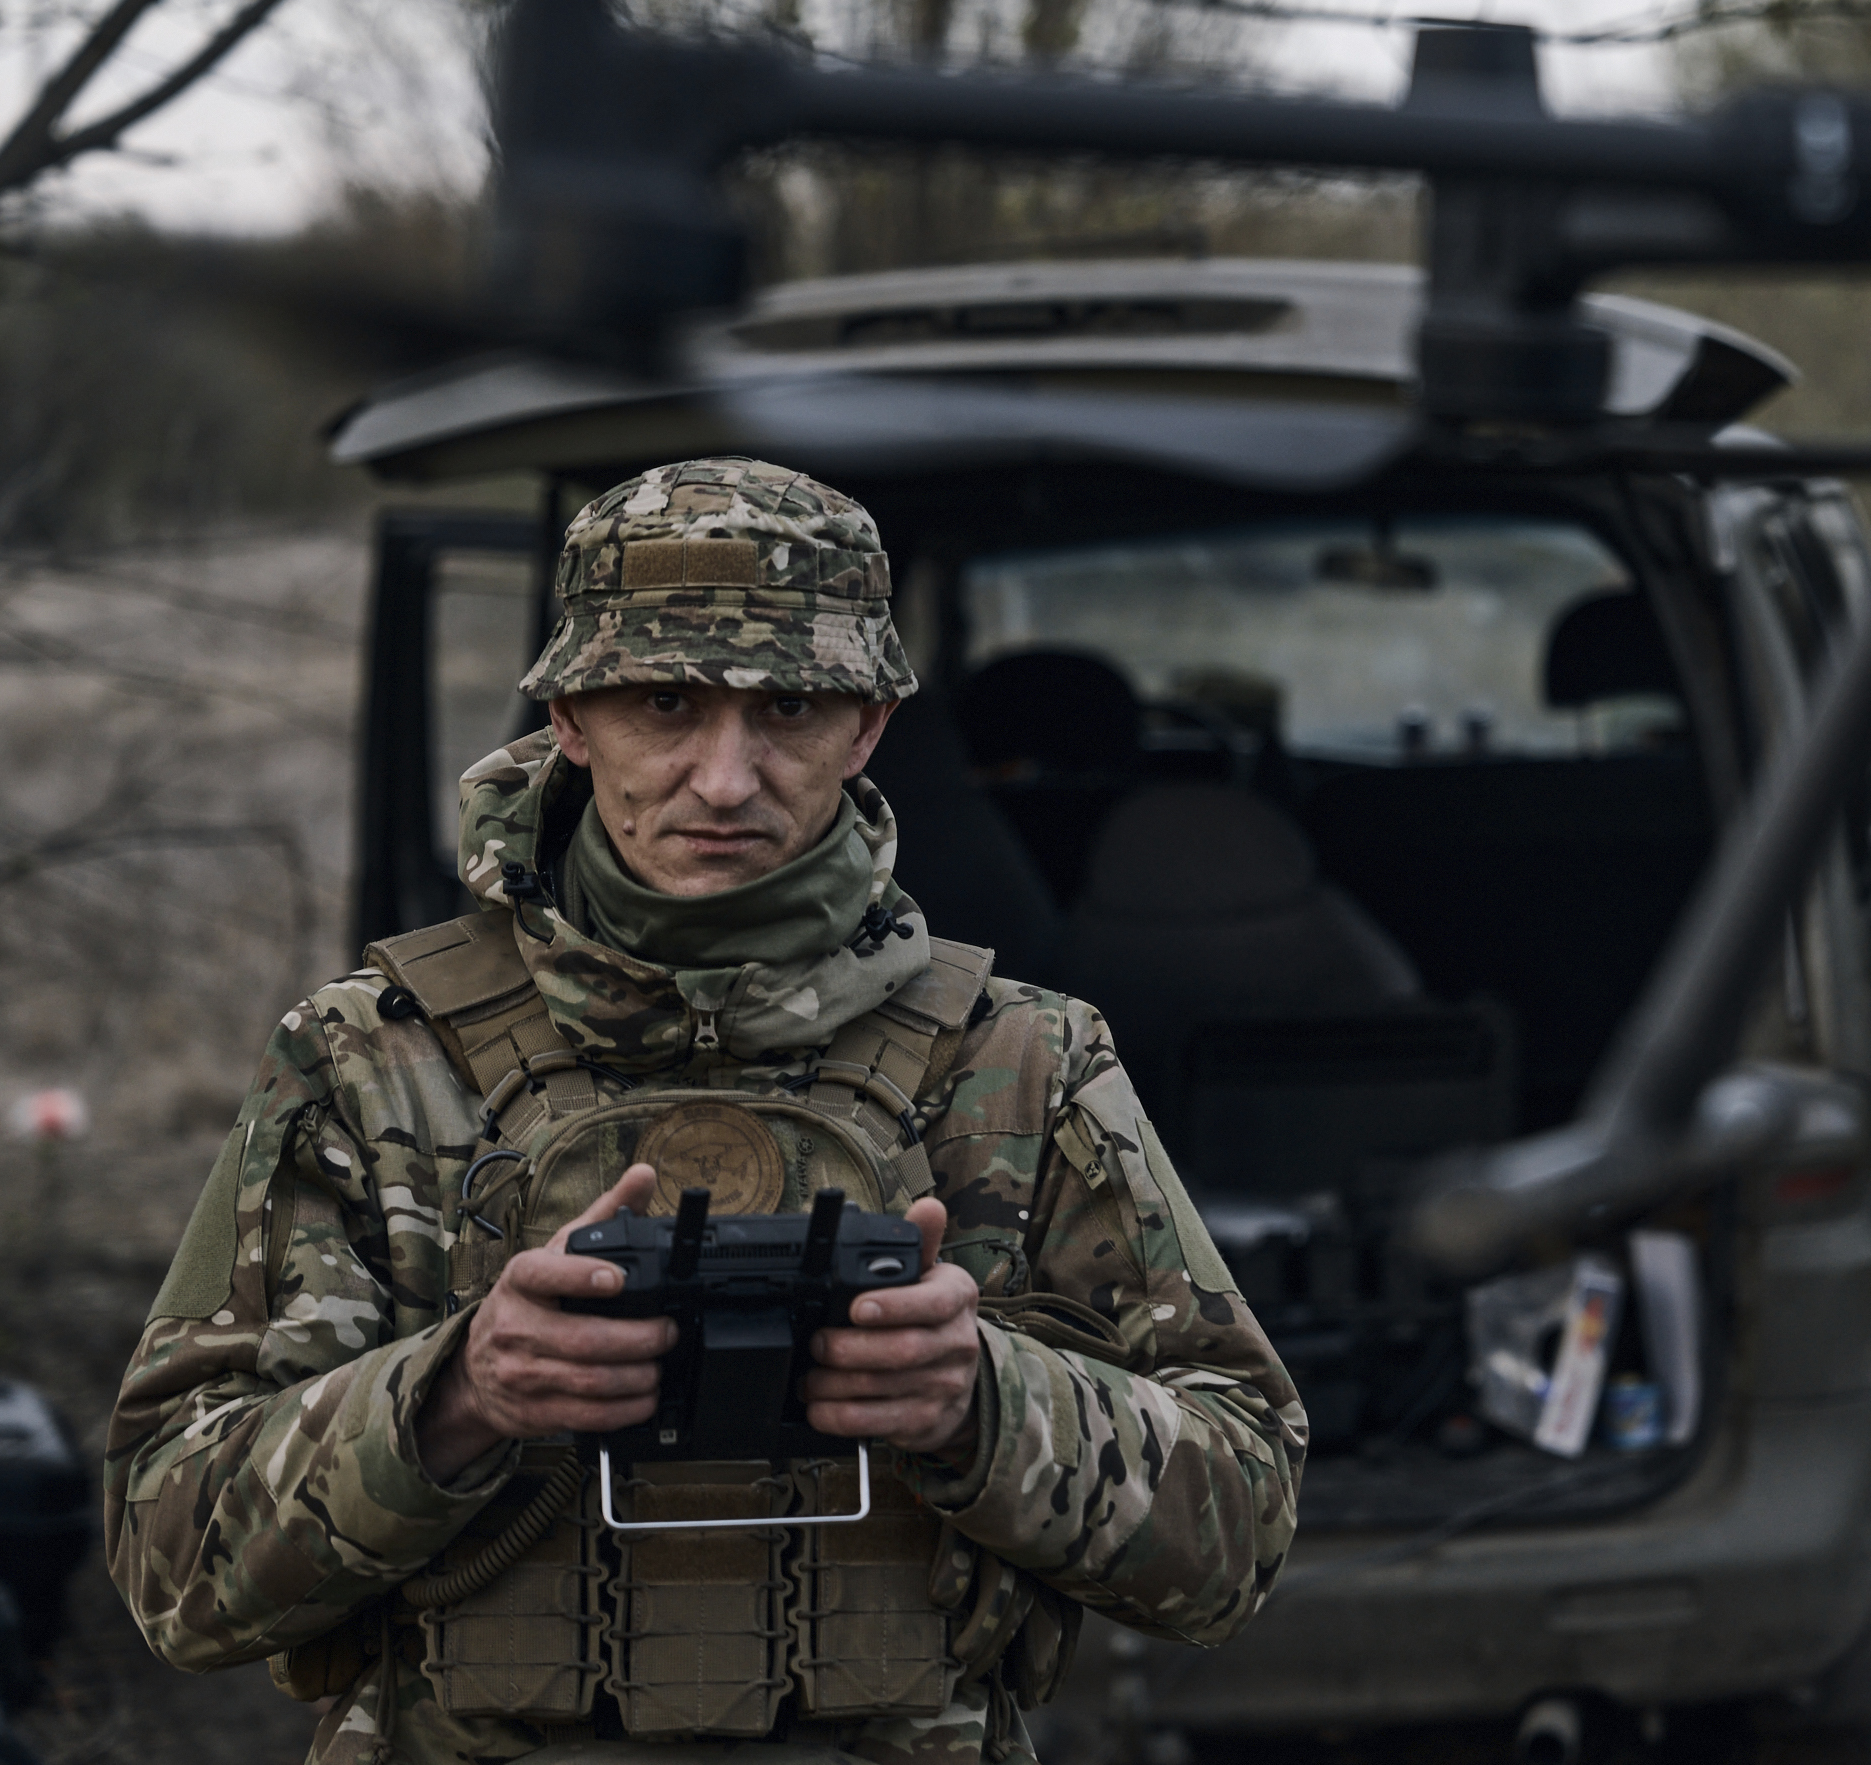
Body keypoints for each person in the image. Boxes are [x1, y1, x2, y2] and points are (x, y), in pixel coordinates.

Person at [105, 457, 1303, 1762]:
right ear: (570, 713)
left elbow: (1238, 1536)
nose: (725, 778)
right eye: (666, 703)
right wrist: (455, 1394)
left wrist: (987, 1401)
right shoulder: (369, 1061)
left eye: (788, 705)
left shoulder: (1020, 1064)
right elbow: (174, 1567)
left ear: (866, 729)